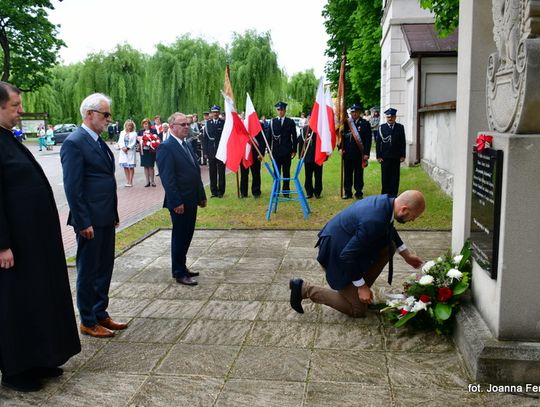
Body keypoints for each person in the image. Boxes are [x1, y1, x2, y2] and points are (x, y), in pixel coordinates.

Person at [0, 81, 81, 392]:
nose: (21, 112)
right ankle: (17, 369)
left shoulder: (8, 138)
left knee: (39, 299)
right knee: (16, 305)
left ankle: (42, 358)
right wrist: (2, 243)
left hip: (35, 244)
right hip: (14, 246)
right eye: (14, 106)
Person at [289, 190, 425, 317]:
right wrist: (361, 286)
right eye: (413, 217)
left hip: (345, 244)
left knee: (389, 245)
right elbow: (347, 256)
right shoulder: (374, 220)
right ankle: (304, 288)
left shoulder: (387, 203)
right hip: (335, 254)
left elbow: (389, 229)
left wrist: (406, 255)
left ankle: (356, 290)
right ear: (404, 209)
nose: (413, 220)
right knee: (358, 310)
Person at [61, 92, 127, 338]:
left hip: (105, 216)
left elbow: (106, 181)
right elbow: (73, 187)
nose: (109, 119)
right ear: (89, 114)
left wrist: (114, 212)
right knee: (88, 271)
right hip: (89, 221)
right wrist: (82, 221)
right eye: (105, 114)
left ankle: (101, 313)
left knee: (104, 268)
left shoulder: (98, 141)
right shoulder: (74, 142)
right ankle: (87, 320)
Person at [156, 112, 207, 286]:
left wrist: (201, 195)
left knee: (187, 234)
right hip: (179, 202)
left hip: (192, 198)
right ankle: (178, 272)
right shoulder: (166, 147)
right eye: (183, 124)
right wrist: (176, 201)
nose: (187, 127)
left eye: (187, 124)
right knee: (180, 236)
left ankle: (182, 266)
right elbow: (168, 179)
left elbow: (195, 171)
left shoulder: (186, 144)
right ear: (172, 127)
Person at [340, 104, 371, 199]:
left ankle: (358, 192)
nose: (354, 114)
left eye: (356, 112)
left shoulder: (365, 123)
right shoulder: (345, 124)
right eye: (352, 112)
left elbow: (368, 140)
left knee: (358, 174)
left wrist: (366, 153)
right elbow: (341, 138)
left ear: (359, 113)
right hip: (347, 154)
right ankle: (347, 192)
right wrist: (340, 148)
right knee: (347, 174)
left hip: (359, 154)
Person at [269, 101, 297, 196]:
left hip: (287, 152)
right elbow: (269, 137)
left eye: (282, 110)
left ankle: (286, 192)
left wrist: (294, 150)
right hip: (276, 152)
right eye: (278, 110)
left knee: (286, 172)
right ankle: (276, 191)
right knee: (276, 173)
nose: (280, 112)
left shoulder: (290, 122)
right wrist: (269, 151)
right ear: (277, 111)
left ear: (285, 110)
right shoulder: (272, 122)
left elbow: (294, 136)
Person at [376, 108, 406, 197]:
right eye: (388, 117)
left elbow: (402, 142)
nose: (390, 118)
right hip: (385, 156)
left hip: (396, 156)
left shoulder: (400, 127)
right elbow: (378, 143)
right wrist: (378, 156)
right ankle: (385, 193)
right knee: (385, 176)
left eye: (392, 116)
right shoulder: (382, 127)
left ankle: (394, 193)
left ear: (395, 117)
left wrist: (403, 155)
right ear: (386, 118)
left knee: (395, 176)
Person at [202, 105, 225, 197]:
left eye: (217, 112)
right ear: (211, 113)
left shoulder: (223, 123)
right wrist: (205, 152)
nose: (215, 113)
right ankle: (213, 191)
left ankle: (221, 191)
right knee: (212, 171)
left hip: (221, 150)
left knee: (221, 171)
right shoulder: (207, 124)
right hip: (211, 150)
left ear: (219, 113)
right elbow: (205, 139)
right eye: (213, 112)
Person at [298, 125, 323, 198]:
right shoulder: (305, 129)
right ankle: (309, 192)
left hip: (318, 156)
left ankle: (317, 192)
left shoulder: (320, 128)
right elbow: (301, 142)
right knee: (308, 176)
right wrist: (301, 155)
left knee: (318, 175)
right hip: (308, 156)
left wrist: (324, 155)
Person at [240, 129, 265, 198]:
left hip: (255, 153)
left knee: (256, 174)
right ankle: (243, 193)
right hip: (244, 153)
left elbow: (262, 141)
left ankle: (256, 192)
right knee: (244, 174)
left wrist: (261, 153)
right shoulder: (240, 125)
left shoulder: (257, 125)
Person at [138, 118, 160, 187]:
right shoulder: (140, 131)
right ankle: (147, 181)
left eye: (146, 124)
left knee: (151, 166)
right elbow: (138, 140)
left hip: (151, 151)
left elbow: (157, 139)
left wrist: (150, 142)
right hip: (143, 151)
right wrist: (141, 141)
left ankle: (152, 181)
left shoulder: (153, 131)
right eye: (144, 124)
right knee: (145, 166)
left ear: (149, 124)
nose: (145, 125)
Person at [117, 119, 138, 187]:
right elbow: (120, 141)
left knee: (130, 167)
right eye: (128, 125)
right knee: (125, 166)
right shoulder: (122, 132)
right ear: (125, 125)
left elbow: (134, 142)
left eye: (131, 126)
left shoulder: (134, 133)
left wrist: (128, 148)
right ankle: (127, 180)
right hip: (123, 151)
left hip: (130, 151)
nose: (130, 127)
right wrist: (123, 147)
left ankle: (131, 181)